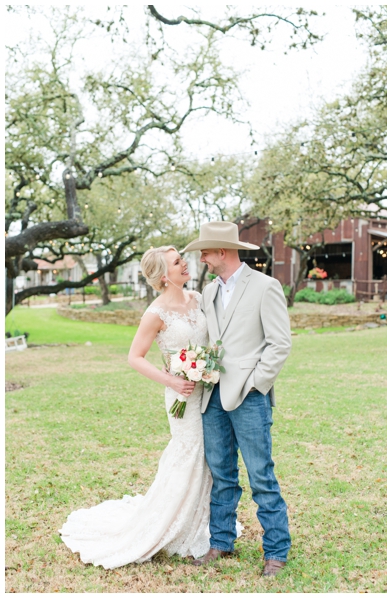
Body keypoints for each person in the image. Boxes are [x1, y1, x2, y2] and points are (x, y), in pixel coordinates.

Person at [60, 246, 214, 568]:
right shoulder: (155, 313)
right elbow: (134, 357)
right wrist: (171, 381)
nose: (185, 263)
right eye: (177, 262)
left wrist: (206, 365)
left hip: (206, 390)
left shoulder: (198, 298)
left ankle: (200, 522)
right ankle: (171, 527)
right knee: (189, 451)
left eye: (181, 259)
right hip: (181, 395)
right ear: (163, 276)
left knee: (207, 454)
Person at [181, 221, 293, 577]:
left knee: (261, 474)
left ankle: (276, 550)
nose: (202, 257)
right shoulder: (210, 291)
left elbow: (280, 343)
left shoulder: (266, 286)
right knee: (222, 474)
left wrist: (257, 384)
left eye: (206, 251)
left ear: (223, 252)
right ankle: (221, 543)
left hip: (249, 397)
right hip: (212, 395)